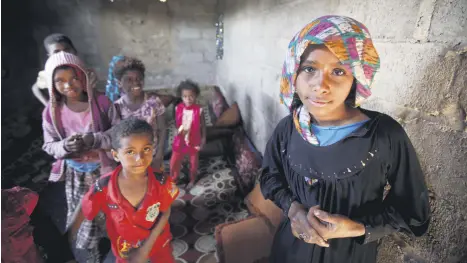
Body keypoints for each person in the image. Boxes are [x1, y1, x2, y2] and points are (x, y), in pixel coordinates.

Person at [259, 15, 430, 263]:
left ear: (356, 79)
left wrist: (354, 227)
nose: (320, 85)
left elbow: (414, 212)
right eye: (309, 69)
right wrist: (294, 210)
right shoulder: (288, 128)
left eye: (339, 71)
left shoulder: (383, 135)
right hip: (288, 252)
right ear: (293, 73)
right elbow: (269, 176)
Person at [41, 51, 120, 262]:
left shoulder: (102, 103)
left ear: (83, 76)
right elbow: (49, 146)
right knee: (87, 215)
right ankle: (93, 250)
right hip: (76, 172)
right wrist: (65, 145)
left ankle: (118, 243)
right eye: (60, 81)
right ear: (51, 84)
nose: (68, 85)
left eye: (74, 77)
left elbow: (120, 135)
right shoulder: (52, 112)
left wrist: (94, 140)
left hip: (103, 168)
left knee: (110, 210)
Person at [82, 117, 179, 263]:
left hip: (159, 243)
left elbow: (165, 212)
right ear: (116, 155)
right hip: (124, 250)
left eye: (146, 149)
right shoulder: (103, 186)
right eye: (130, 152)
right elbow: (87, 211)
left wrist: (144, 250)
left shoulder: (162, 182)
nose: (139, 158)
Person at [113, 57, 167, 173]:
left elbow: (162, 129)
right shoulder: (117, 107)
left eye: (139, 78)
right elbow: (117, 138)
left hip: (151, 156)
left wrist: (159, 156)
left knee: (155, 186)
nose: (136, 82)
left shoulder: (154, 102)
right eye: (129, 80)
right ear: (119, 83)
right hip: (129, 161)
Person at [32, 33, 98, 106]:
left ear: (75, 51)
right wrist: (47, 104)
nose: (63, 54)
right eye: (56, 52)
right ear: (50, 56)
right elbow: (35, 88)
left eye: (67, 50)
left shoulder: (82, 69)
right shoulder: (49, 74)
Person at [170, 80, 206, 189]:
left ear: (196, 96)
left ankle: (192, 179)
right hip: (180, 139)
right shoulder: (178, 108)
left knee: (193, 163)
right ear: (181, 97)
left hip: (194, 139)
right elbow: (177, 123)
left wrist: (203, 139)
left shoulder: (199, 110)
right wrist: (177, 131)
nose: (188, 99)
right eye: (185, 96)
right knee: (174, 161)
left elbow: (203, 126)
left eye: (191, 96)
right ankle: (174, 178)